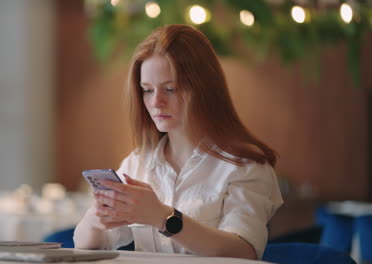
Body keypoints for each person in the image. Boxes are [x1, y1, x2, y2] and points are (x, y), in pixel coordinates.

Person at [73, 24, 283, 260]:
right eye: (147, 90)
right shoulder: (138, 163)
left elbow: (244, 251)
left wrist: (164, 217)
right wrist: (95, 219)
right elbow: (86, 245)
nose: (156, 102)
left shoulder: (246, 167)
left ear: (204, 89)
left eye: (170, 89)